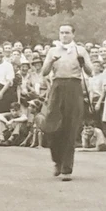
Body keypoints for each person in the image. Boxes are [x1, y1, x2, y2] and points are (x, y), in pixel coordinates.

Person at [40, 24, 91, 181]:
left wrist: (82, 62)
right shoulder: (53, 50)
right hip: (57, 86)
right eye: (62, 33)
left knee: (70, 127)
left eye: (67, 33)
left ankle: (66, 168)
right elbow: (44, 72)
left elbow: (90, 71)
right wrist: (50, 62)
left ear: (73, 34)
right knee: (52, 126)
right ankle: (57, 160)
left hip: (74, 86)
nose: (64, 35)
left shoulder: (80, 50)